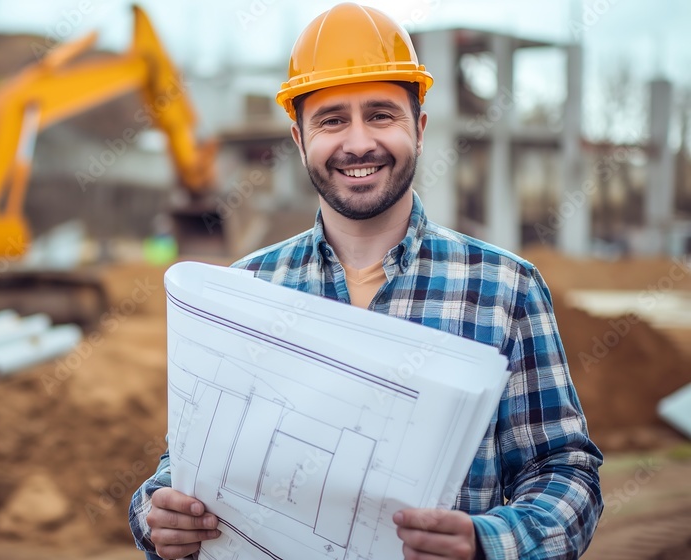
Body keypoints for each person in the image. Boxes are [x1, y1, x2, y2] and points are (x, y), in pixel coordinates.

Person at [128, 3, 603, 559]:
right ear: (300, 138)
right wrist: (155, 515)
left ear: (419, 129)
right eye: (331, 120)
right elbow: (185, 467)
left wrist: (485, 544)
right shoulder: (245, 292)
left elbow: (565, 471)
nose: (357, 143)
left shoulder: (504, 288)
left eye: (381, 115)